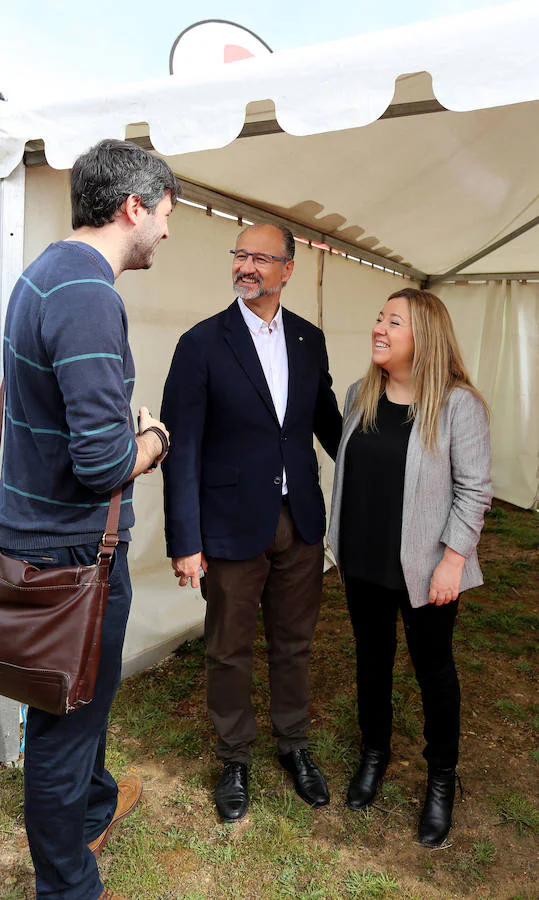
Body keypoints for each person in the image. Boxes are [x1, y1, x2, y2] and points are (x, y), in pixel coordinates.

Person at [0, 139, 179, 900]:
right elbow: (102, 463)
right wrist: (153, 438)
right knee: (61, 726)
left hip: (50, 545)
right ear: (131, 208)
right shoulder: (85, 294)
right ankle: (68, 884)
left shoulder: (45, 271)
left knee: (81, 701)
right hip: (70, 557)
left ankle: (97, 805)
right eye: (165, 214)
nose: (167, 232)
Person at [161, 223, 342, 822]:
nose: (248, 266)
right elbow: (181, 447)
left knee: (295, 643)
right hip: (231, 527)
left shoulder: (310, 340)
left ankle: (294, 746)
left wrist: (391, 472)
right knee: (229, 648)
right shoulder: (201, 344)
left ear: (288, 270)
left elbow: (329, 426)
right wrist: (186, 540)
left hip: (300, 521)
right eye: (241, 255)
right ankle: (234, 755)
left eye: (262, 258)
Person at [328, 287, 493, 847]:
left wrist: (452, 559)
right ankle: (374, 753)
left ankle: (441, 779)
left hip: (426, 567)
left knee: (434, 673)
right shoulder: (360, 395)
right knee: (371, 662)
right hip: (363, 558)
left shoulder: (457, 406)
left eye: (392, 321)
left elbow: (474, 491)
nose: (379, 328)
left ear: (424, 337)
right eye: (379, 318)